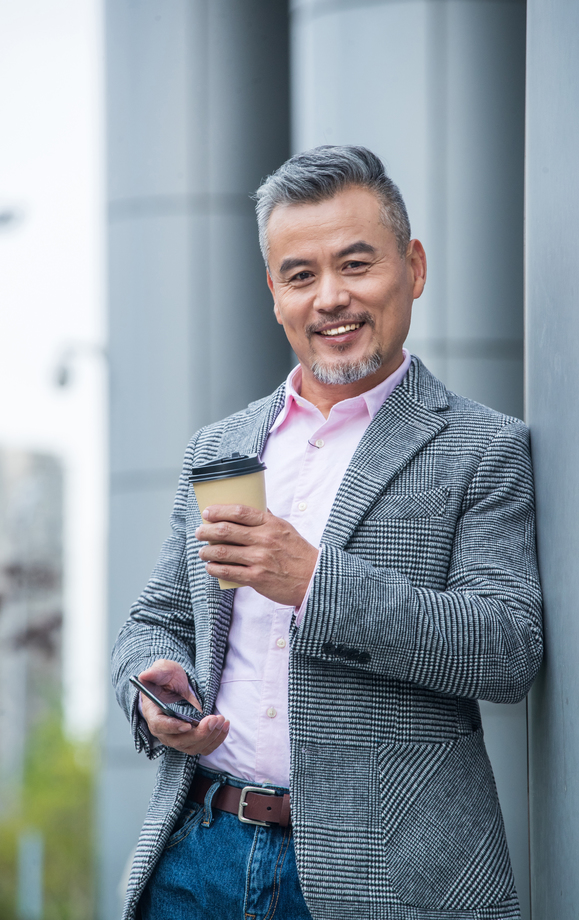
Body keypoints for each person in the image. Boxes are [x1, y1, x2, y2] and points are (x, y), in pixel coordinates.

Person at [112, 145, 543, 920]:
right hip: (196, 857)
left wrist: (314, 582)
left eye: (355, 264)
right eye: (301, 275)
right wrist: (151, 684)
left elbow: (506, 647)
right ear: (273, 293)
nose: (330, 298)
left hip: (387, 878)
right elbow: (156, 618)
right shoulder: (221, 448)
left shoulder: (483, 447)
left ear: (412, 267)